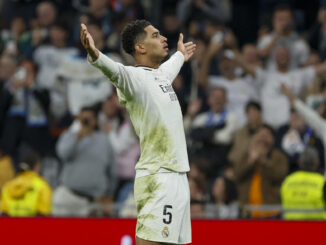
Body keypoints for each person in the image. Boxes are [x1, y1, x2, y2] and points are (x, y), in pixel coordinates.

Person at [80, 19, 196, 244]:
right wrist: (94, 54)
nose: (163, 38)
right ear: (140, 48)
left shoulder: (161, 76)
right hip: (158, 177)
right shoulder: (133, 79)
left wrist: (180, 55)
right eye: (155, 36)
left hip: (178, 177)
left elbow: (171, 66)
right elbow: (113, 70)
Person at [54, 106, 116, 217]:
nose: (86, 122)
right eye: (83, 119)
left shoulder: (104, 140)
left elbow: (112, 169)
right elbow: (62, 154)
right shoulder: (69, 136)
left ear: (96, 121)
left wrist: (109, 195)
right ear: (78, 120)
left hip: (92, 201)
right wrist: (78, 136)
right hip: (68, 196)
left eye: (89, 118)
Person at [233, 124, 288, 218]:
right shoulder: (246, 155)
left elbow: (279, 176)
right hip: (247, 212)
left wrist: (263, 160)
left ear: (272, 139)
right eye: (260, 135)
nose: (262, 139)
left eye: (266, 136)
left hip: (270, 212)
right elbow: (237, 175)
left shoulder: (279, 157)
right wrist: (250, 161)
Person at [1, 149, 52, 217]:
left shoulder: (8, 186)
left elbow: (4, 214)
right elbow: (44, 213)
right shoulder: (42, 186)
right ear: (37, 166)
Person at [281, 147, 326, 220]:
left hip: (291, 227)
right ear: (317, 164)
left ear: (299, 163)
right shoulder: (322, 182)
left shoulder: (288, 180)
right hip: (317, 227)